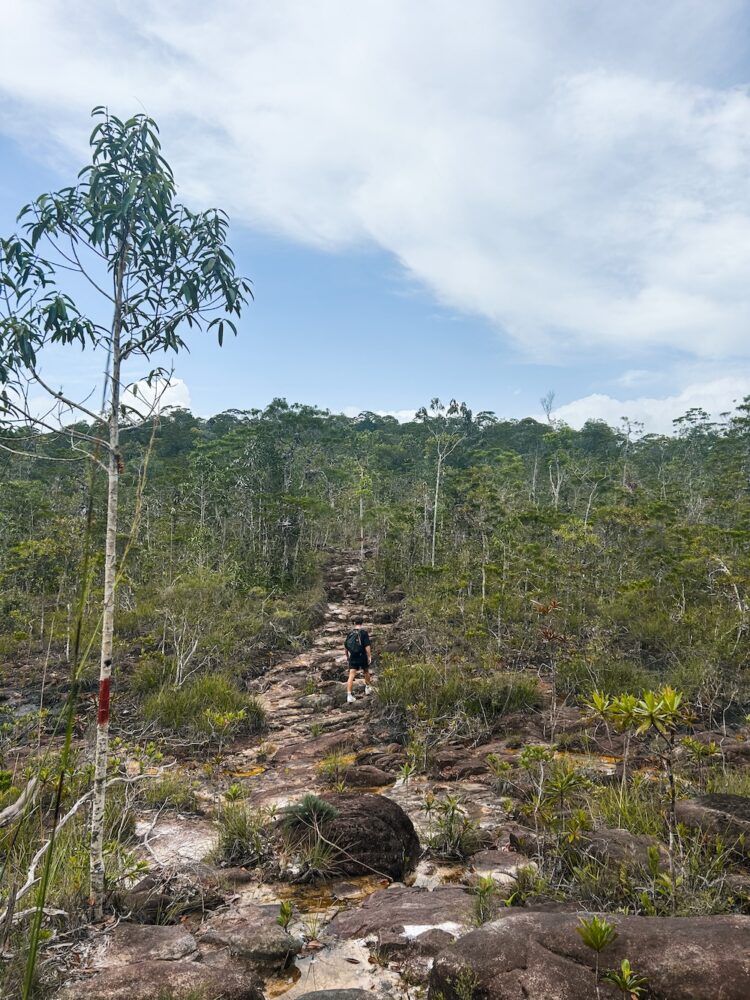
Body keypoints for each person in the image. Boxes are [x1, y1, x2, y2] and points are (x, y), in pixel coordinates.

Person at [344, 616, 372, 704]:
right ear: (362, 623)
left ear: (354, 623)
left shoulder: (350, 633)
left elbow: (346, 646)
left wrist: (347, 656)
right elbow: (367, 646)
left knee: (351, 675)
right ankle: (367, 688)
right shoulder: (364, 633)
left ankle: (349, 695)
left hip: (353, 656)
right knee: (366, 671)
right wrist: (369, 656)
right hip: (362, 655)